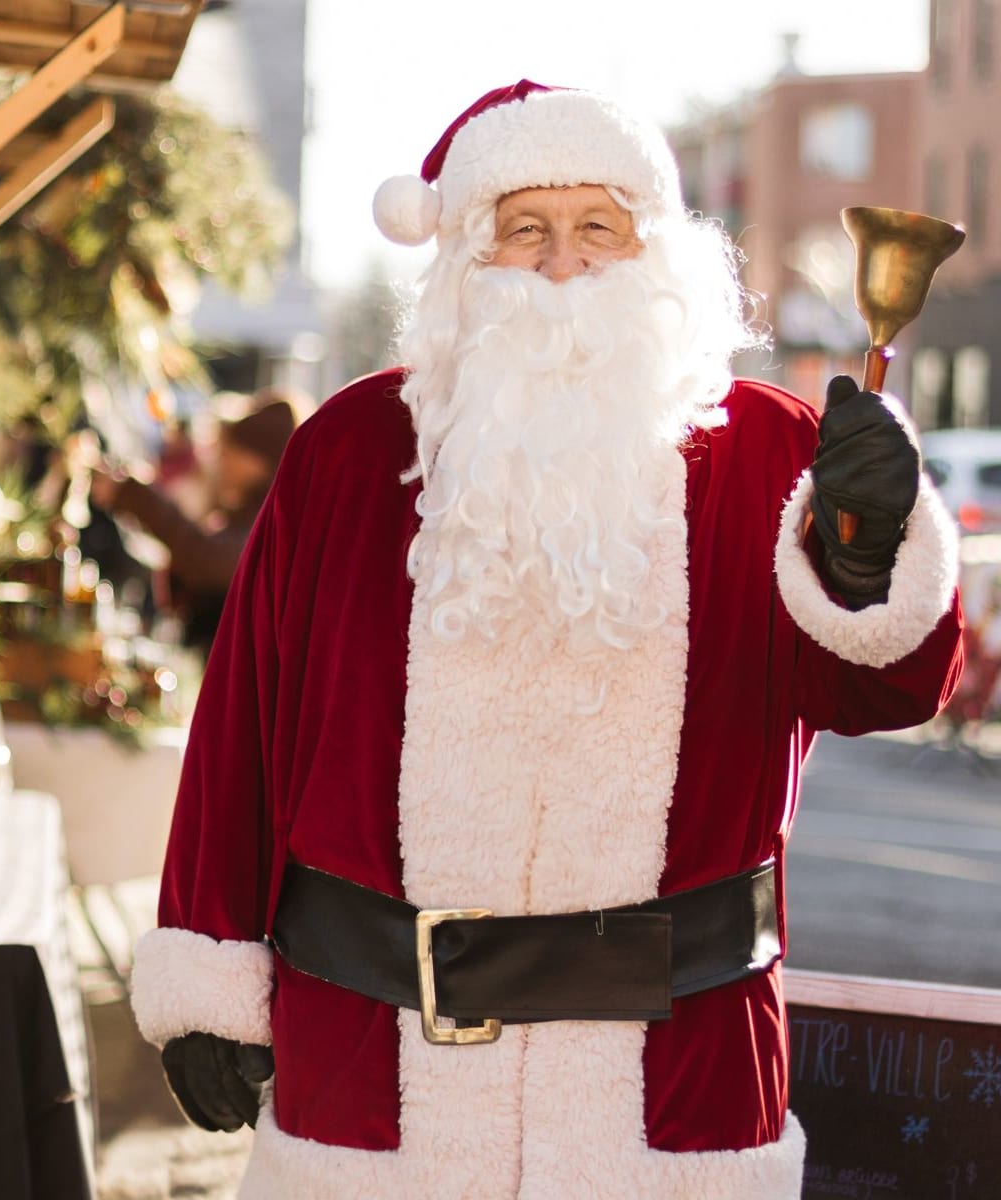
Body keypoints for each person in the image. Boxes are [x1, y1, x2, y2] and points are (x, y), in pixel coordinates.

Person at [130, 81, 964, 1198]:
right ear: (464, 257)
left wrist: (868, 554)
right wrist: (207, 971)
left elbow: (891, 687)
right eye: (524, 229)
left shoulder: (771, 453)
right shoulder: (349, 449)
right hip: (374, 1078)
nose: (563, 264)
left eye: (599, 228)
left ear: (656, 252)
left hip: (674, 1089)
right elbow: (245, 721)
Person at [89, 389, 298, 654]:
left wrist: (135, 494)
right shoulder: (245, 513)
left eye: (227, 453)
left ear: (255, 462)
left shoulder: (269, 523)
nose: (220, 462)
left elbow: (203, 556)